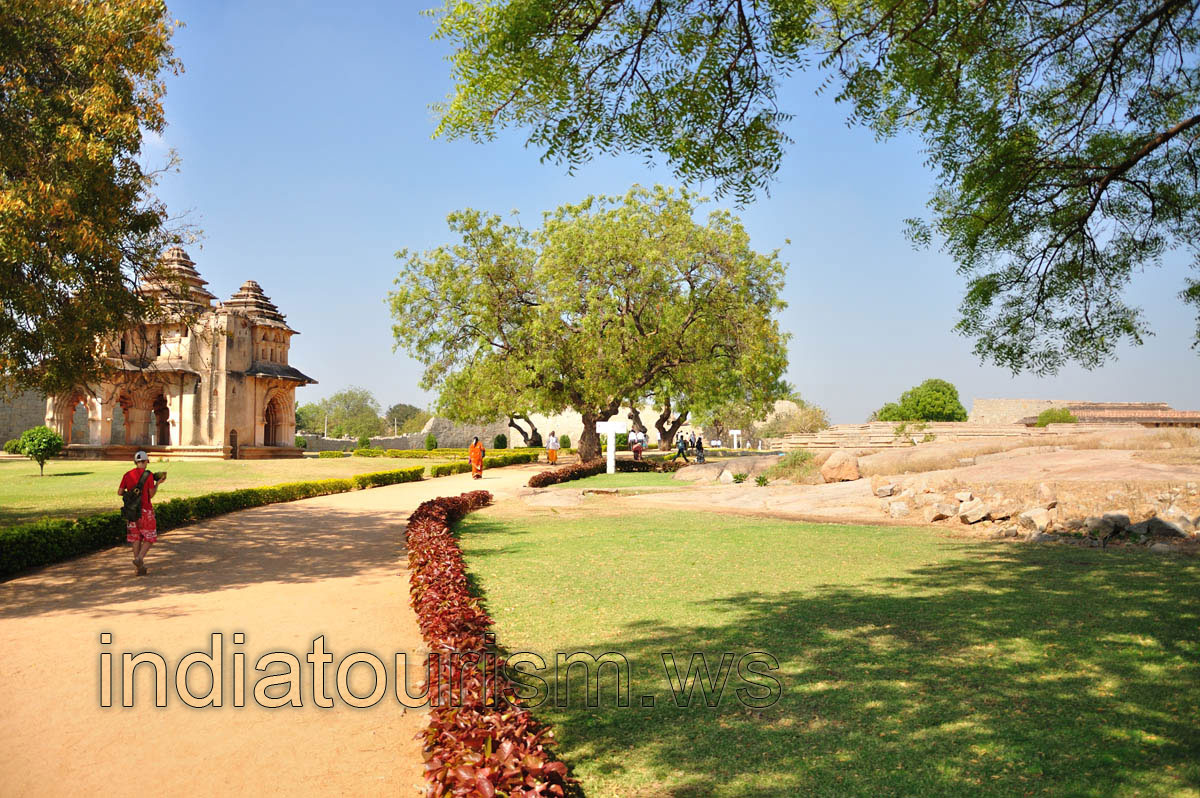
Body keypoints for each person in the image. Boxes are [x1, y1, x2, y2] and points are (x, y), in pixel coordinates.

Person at [118, 450, 165, 576]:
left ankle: (139, 569)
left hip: (132, 511)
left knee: (135, 538)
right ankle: (139, 558)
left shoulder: (127, 475)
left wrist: (131, 494)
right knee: (149, 537)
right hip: (145, 510)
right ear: (145, 462)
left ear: (135, 462)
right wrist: (157, 484)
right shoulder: (148, 475)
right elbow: (151, 494)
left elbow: (120, 492)